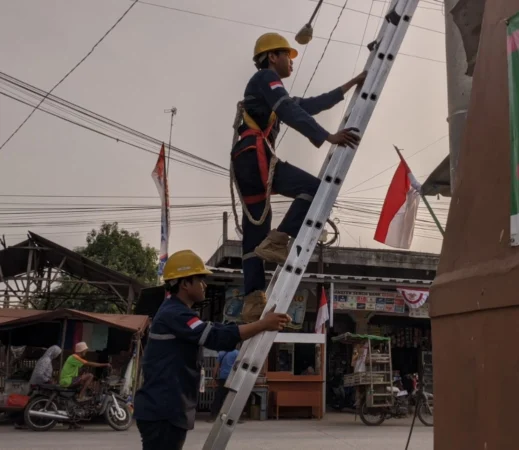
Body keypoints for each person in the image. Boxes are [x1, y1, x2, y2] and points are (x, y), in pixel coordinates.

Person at [232, 32, 365, 323]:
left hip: (246, 162)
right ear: (272, 57)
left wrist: (350, 85)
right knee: (315, 189)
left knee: (255, 231)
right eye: (287, 57)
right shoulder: (267, 79)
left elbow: (309, 104)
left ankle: (253, 302)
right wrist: (327, 136)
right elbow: (290, 110)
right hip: (255, 156)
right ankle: (279, 238)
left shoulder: (266, 91)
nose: (292, 63)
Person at [134, 250, 290, 450]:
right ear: (184, 284)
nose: (205, 285)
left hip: (165, 408)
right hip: (163, 410)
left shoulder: (177, 312)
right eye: (200, 279)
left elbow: (214, 329)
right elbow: (215, 337)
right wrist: (263, 324)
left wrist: (257, 324)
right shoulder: (174, 314)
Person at [208, 345, 240, 423]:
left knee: (219, 397)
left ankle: (214, 416)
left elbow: (216, 367)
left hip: (223, 378)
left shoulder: (221, 353)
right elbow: (238, 366)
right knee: (233, 397)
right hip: (233, 378)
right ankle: (233, 418)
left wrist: (214, 379)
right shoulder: (237, 353)